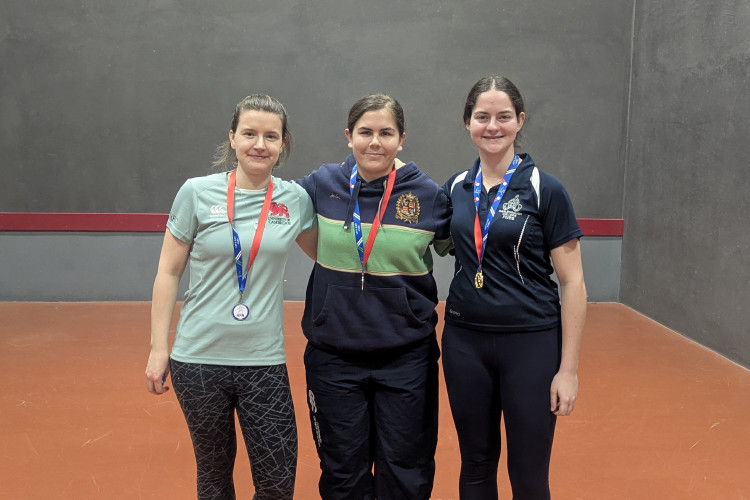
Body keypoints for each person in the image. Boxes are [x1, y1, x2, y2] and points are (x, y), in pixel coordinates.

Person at [144, 94, 315, 500]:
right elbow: (168, 272)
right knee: (214, 476)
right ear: (233, 138)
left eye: (271, 136)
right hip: (198, 359)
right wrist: (158, 348)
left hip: (263, 360)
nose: (260, 144)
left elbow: (328, 254)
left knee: (277, 483)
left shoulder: (294, 200)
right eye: (250, 133)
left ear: (283, 143)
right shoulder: (196, 193)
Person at [296, 93, 451, 500]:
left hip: (406, 358)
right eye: (365, 132)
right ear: (349, 136)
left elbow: (467, 248)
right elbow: (268, 200)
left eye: (386, 133)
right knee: (342, 471)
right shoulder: (322, 184)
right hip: (333, 356)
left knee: (406, 470)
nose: (375, 142)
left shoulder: (429, 195)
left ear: (402, 139)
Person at [441, 76, 587, 499]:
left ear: (519, 121)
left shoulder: (545, 189)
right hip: (464, 343)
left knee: (528, 474)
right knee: (475, 467)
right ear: (467, 122)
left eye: (503, 117)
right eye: (482, 117)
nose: (493, 126)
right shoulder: (455, 188)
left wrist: (568, 370)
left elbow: (573, 282)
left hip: (531, 344)